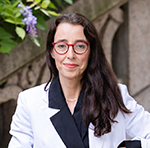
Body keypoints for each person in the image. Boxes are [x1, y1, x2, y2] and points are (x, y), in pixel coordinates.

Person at [8, 13, 150, 148]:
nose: (70, 55)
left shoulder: (114, 94)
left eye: (80, 46)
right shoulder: (30, 102)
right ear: (52, 51)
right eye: (62, 46)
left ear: (91, 51)